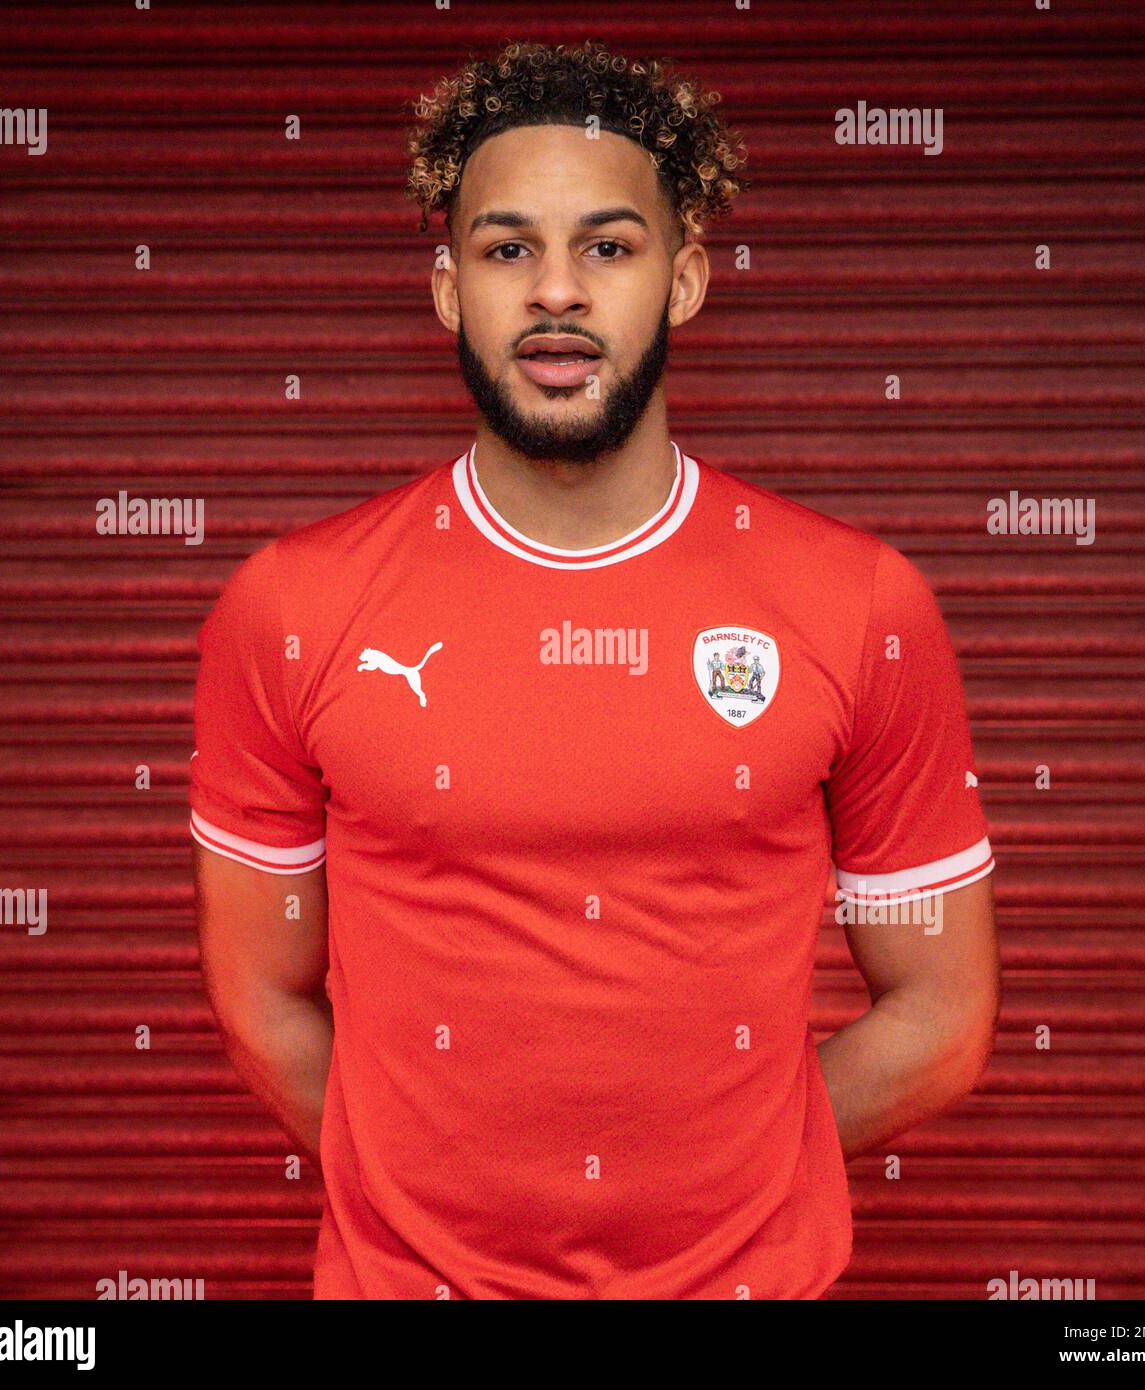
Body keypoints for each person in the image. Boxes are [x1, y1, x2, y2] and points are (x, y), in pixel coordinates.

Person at [190, 38, 999, 1300]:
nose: (555, 291)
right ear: (450, 288)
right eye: (507, 248)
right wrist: (436, 1207)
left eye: (607, 247)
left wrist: (714, 1195)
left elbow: (941, 1015)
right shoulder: (292, 605)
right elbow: (260, 997)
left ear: (682, 280)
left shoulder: (855, 603)